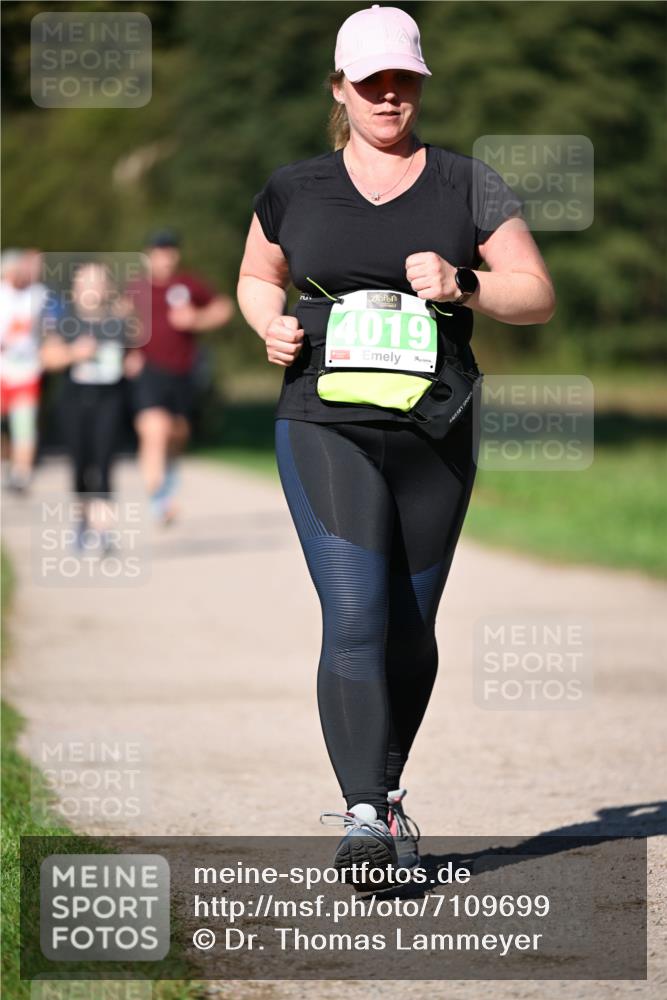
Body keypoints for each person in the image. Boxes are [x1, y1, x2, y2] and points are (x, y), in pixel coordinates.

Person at [237, 4, 555, 882]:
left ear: (417, 84)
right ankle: (363, 819)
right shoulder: (294, 187)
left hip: (435, 432)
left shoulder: (466, 185)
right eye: (369, 80)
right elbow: (257, 274)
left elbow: (535, 292)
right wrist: (269, 325)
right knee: (355, 614)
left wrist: (468, 283)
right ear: (338, 88)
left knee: (411, 630)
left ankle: (386, 788)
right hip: (324, 422)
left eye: (401, 80)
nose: (387, 95)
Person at [124, 230, 234, 523]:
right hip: (149, 370)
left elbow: (223, 308)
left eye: (171, 251)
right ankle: (159, 500)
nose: (166, 257)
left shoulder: (188, 284)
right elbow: (117, 320)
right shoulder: (135, 288)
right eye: (160, 251)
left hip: (184, 371)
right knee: (154, 430)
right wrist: (128, 351)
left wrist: (197, 319)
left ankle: (166, 477)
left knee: (178, 432)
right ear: (149, 255)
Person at [40, 262, 129, 551]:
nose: (92, 287)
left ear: (108, 288)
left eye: (98, 281)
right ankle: (82, 521)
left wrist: (133, 363)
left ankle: (103, 531)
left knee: (104, 461)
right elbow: (48, 358)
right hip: (74, 399)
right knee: (80, 463)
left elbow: (134, 356)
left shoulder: (121, 321)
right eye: (86, 282)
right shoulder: (65, 320)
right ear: (76, 288)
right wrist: (74, 353)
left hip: (110, 399)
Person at [0, 249, 48, 493]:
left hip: (27, 369)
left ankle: (21, 474)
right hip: (2, 368)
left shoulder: (38, 295)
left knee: (24, 423)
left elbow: (53, 323)